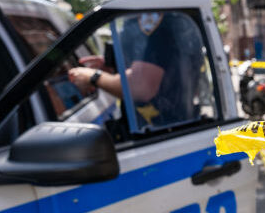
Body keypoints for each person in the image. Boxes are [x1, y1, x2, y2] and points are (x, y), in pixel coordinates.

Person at [69, 12, 200, 128]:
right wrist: (117, 63)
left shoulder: (152, 18)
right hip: (166, 125)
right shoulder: (157, 14)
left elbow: (142, 86)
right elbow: (160, 61)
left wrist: (93, 77)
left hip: (162, 131)